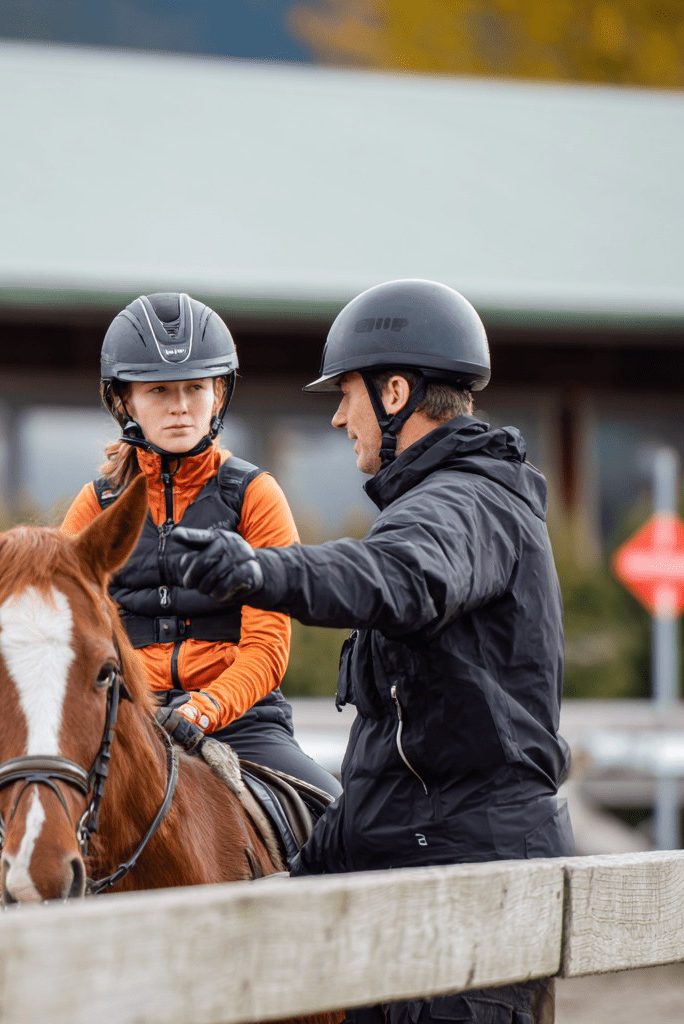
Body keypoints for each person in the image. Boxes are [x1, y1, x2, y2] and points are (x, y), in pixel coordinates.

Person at [175, 280, 573, 1024]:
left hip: (470, 885)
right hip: (403, 850)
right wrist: (304, 871)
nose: (336, 415)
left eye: (347, 393)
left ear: (396, 392)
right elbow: (397, 746)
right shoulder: (439, 503)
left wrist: (261, 569)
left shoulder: (467, 505)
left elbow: (393, 577)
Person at [0, 292, 339, 912]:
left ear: (219, 395)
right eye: (158, 392)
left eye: (195, 388)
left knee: (347, 838)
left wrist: (199, 711)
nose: (179, 408)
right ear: (124, 402)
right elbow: (63, 646)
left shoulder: (257, 495)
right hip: (119, 725)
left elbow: (266, 649)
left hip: (244, 727)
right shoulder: (92, 508)